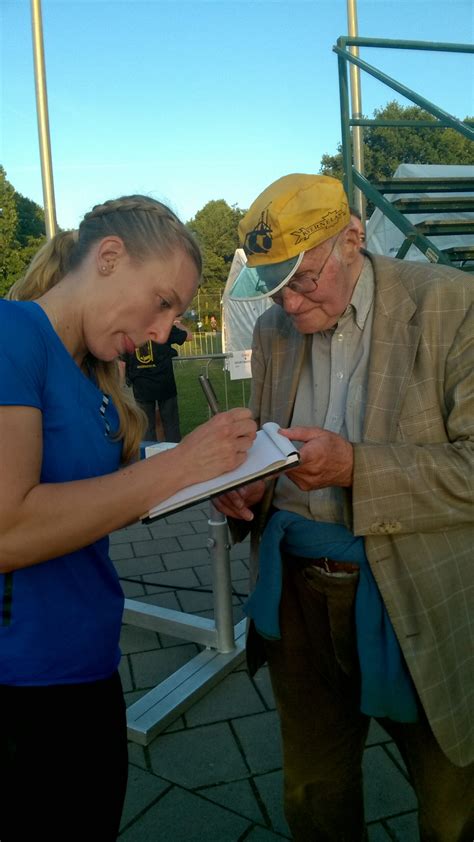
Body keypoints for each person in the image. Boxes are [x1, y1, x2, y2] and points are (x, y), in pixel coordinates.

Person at [215, 174, 474, 842]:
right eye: (274, 288)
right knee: (312, 792)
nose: (290, 307)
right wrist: (250, 487)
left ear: (353, 239)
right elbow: (277, 449)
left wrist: (357, 465)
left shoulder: (453, 305)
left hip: (413, 590)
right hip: (296, 599)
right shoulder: (276, 329)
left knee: (450, 801)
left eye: (302, 281)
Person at [0, 194, 256, 841]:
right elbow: (8, 529)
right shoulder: (11, 334)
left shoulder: (91, 377)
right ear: (109, 258)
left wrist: (213, 475)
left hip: (88, 663)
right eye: (164, 301)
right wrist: (179, 467)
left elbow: (110, 483)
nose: (167, 328)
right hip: (22, 685)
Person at [123, 320, 192, 442]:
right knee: (171, 426)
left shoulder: (129, 328)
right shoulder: (162, 326)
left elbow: (122, 358)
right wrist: (176, 323)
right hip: (164, 384)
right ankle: (174, 455)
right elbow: (189, 336)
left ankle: (150, 457)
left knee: (146, 428)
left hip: (141, 385)